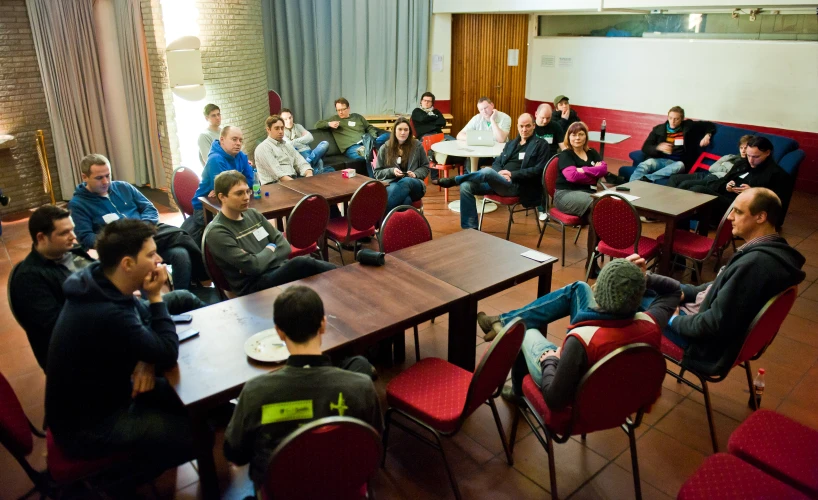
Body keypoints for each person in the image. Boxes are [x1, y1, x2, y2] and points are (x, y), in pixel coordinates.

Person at [46, 219, 194, 467]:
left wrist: (145, 358)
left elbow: (143, 320)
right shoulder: (107, 311)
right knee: (196, 437)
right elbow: (167, 351)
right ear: (127, 264)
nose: (159, 259)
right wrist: (156, 296)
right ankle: (127, 478)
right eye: (151, 254)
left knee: (189, 398)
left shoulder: (98, 279)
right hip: (89, 426)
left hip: (109, 393)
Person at [10, 205, 206, 371]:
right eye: (64, 233)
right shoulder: (29, 279)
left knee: (183, 297)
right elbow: (60, 331)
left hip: (120, 315)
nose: (73, 237)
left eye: (72, 230)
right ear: (41, 238)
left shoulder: (74, 253)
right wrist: (142, 356)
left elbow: (110, 287)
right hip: (91, 352)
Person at [224, 286, 381, 489]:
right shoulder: (362, 387)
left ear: (279, 332)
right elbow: (372, 443)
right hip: (343, 486)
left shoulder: (255, 392)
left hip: (280, 491)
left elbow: (235, 453)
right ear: (323, 325)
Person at [481, 255, 680, 408]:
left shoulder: (582, 340)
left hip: (577, 395)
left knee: (523, 328)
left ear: (600, 294)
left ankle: (518, 390)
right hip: (619, 396)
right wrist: (640, 277)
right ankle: (500, 321)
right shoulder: (652, 323)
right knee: (580, 287)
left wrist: (549, 360)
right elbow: (673, 291)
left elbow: (555, 400)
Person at [664, 188, 805, 375]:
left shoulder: (754, 265)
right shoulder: (775, 249)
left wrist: (673, 319)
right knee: (653, 285)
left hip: (700, 343)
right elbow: (721, 286)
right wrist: (685, 293)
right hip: (702, 313)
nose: (730, 217)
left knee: (632, 294)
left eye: (738, 211)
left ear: (761, 217)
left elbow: (710, 325)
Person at [68, 154, 205, 290]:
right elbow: (86, 238)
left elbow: (149, 208)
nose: (105, 182)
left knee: (181, 252)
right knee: (180, 237)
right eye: (99, 178)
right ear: (84, 177)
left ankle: (183, 297)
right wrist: (120, 239)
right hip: (124, 250)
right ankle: (201, 277)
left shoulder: (123, 187)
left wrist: (142, 228)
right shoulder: (78, 204)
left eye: (108, 176)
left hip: (148, 236)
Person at [204, 170, 336, 296]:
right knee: (303, 263)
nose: (246, 198)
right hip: (253, 286)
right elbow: (254, 267)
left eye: (247, 191)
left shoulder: (253, 214)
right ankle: (349, 275)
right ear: (222, 197)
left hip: (276, 270)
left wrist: (260, 257)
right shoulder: (217, 231)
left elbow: (284, 246)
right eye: (239, 193)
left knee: (318, 282)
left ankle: (345, 278)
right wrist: (271, 247)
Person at [439, 113, 549, 229]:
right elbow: (497, 162)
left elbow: (539, 170)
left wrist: (512, 174)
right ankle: (470, 229)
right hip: (498, 182)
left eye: (527, 126)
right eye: (521, 126)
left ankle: (456, 180)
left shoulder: (541, 145)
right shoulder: (511, 144)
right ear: (517, 126)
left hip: (518, 185)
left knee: (487, 171)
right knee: (466, 186)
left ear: (533, 126)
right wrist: (500, 173)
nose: (524, 129)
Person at [687, 136, 792, 223]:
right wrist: (726, 186)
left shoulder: (777, 174)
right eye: (748, 155)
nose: (751, 160)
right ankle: (683, 224)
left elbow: (777, 204)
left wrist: (752, 192)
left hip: (742, 207)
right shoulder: (741, 163)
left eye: (756, 157)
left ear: (767, 153)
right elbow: (722, 181)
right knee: (686, 187)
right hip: (725, 197)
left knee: (698, 190)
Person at [181, 126, 254, 248]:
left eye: (241, 140)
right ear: (222, 140)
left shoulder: (241, 155)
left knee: (251, 216)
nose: (238, 143)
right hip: (205, 208)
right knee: (239, 223)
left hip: (228, 200)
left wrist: (236, 187)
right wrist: (238, 185)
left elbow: (250, 180)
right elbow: (227, 188)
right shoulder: (215, 159)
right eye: (234, 139)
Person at [629, 106, 716, 183]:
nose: (672, 121)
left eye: (676, 119)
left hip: (678, 163)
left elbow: (709, 125)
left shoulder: (688, 126)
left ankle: (647, 179)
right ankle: (631, 187)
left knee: (679, 166)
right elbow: (645, 147)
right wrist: (658, 148)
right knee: (645, 164)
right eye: (670, 118)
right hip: (660, 159)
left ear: (682, 119)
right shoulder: (659, 129)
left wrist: (707, 135)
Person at [314, 97, 389, 173]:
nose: (340, 112)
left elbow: (369, 127)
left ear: (348, 108)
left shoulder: (357, 117)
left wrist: (373, 137)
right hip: (351, 148)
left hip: (366, 141)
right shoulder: (334, 118)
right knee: (368, 153)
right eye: (338, 110)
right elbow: (317, 125)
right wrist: (329, 124)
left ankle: (372, 146)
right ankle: (376, 178)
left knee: (388, 136)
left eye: (343, 109)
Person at [255, 115, 333, 184]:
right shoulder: (263, 148)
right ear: (268, 130)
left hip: (293, 180)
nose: (281, 131)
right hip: (276, 185)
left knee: (329, 171)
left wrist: (309, 174)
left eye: (282, 128)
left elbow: (301, 162)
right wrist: (299, 185)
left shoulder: (286, 145)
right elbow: (279, 175)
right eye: (277, 128)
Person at [373, 117, 429, 212]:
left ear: (409, 132)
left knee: (407, 181)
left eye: (406, 130)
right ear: (394, 131)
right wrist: (392, 171)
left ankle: (380, 217)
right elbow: (377, 173)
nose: (403, 133)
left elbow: (425, 167)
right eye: (400, 129)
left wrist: (415, 174)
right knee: (406, 200)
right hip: (392, 183)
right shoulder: (384, 148)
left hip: (414, 184)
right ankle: (399, 226)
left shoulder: (417, 146)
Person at [553, 121, 608, 218]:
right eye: (574, 135)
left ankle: (599, 233)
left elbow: (603, 170)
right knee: (599, 205)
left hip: (587, 193)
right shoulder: (566, 154)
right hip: (565, 194)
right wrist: (593, 174)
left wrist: (583, 170)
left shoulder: (592, 152)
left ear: (586, 136)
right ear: (568, 137)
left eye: (581, 134)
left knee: (607, 205)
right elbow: (572, 177)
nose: (577, 138)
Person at [668, 135, 752, 191]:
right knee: (674, 178)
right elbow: (711, 168)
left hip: (715, 178)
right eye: (741, 148)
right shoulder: (729, 157)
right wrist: (725, 169)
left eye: (746, 148)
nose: (743, 151)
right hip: (706, 174)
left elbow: (729, 175)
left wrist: (722, 167)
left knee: (685, 184)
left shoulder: (747, 163)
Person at [454, 96, 513, 172]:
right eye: (481, 110)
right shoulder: (477, 118)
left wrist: (492, 120)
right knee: (469, 165)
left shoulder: (505, 118)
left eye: (486, 108)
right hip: (481, 152)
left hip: (499, 153)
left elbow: (501, 139)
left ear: (492, 105)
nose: (484, 111)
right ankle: (479, 179)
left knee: (496, 171)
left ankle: (481, 178)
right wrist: (475, 138)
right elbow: (459, 135)